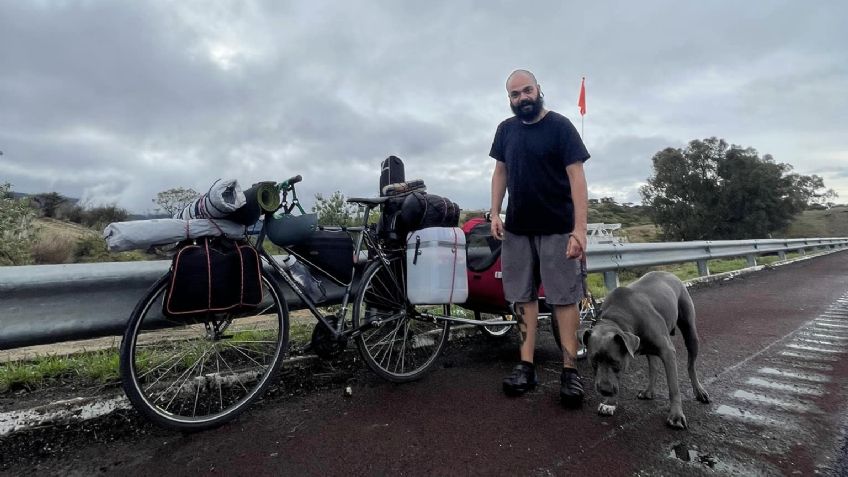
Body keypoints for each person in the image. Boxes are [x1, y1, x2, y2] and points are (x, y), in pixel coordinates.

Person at [489, 69, 590, 407]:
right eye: (515, 95)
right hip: (518, 228)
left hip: (558, 227)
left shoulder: (561, 127)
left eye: (527, 91)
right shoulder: (506, 130)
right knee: (522, 297)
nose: (523, 98)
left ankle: (569, 370)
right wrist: (494, 212)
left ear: (538, 90)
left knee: (564, 298)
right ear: (510, 100)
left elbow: (577, 178)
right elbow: (500, 171)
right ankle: (526, 365)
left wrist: (579, 229)